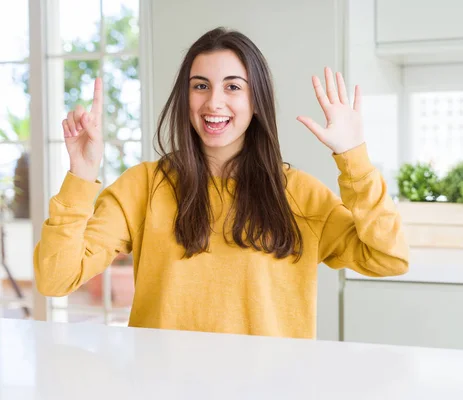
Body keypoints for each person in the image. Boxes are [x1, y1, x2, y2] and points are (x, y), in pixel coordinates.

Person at [34, 27, 409, 339]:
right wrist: (82, 174)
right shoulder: (143, 187)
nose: (214, 102)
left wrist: (354, 157)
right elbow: (55, 279)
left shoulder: (299, 194)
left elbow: (388, 258)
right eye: (200, 86)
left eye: (233, 87)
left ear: (257, 100)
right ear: (186, 96)